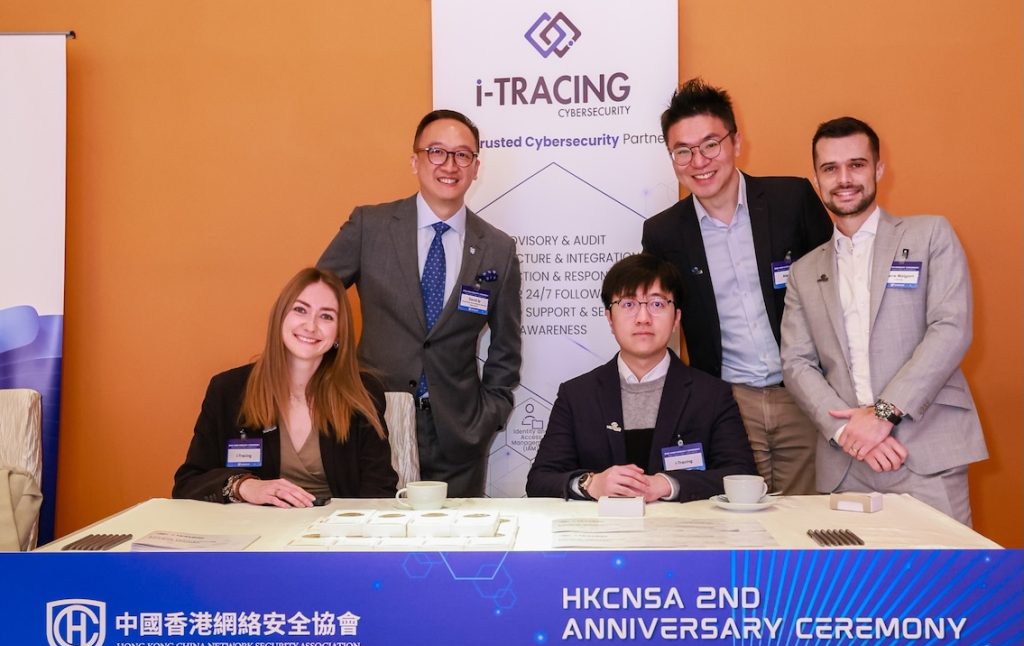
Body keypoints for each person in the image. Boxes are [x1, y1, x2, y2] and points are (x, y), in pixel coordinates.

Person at [780, 117, 987, 525]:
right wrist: (850, 434)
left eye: (856, 165)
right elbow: (796, 363)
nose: (844, 179)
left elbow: (951, 329)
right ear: (816, 180)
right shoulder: (803, 272)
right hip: (847, 463)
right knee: (853, 570)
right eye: (830, 168)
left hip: (927, 453)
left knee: (942, 568)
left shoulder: (930, 235)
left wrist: (883, 415)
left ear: (878, 169)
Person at [642, 78, 833, 496]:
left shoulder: (791, 200)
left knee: (807, 517)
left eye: (710, 144)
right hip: (728, 404)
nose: (699, 161)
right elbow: (657, 322)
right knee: (740, 521)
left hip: (806, 394)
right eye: (682, 151)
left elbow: (837, 288)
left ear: (736, 141)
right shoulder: (664, 234)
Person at [317, 109, 522, 498]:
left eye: (462, 155)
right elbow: (314, 302)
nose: (450, 165)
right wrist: (332, 380)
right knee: (371, 531)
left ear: (475, 167)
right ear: (415, 161)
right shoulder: (370, 226)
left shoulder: (498, 248)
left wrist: (489, 415)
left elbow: (506, 347)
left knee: (456, 535)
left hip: (458, 433)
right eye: (436, 152)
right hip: (373, 422)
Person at [526, 254, 755, 501]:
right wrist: (591, 483)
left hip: (681, 525)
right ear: (609, 319)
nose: (643, 318)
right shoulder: (577, 395)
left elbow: (742, 474)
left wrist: (668, 485)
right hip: (601, 525)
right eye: (628, 304)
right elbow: (540, 480)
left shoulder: (711, 394)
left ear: (676, 318)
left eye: (657, 304)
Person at [173, 267, 397, 505]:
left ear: (339, 332)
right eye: (300, 310)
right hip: (255, 527)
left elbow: (379, 490)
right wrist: (243, 486)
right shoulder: (228, 390)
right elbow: (188, 484)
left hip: (336, 526)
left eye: (326, 316)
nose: (311, 326)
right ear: (280, 316)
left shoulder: (362, 391)